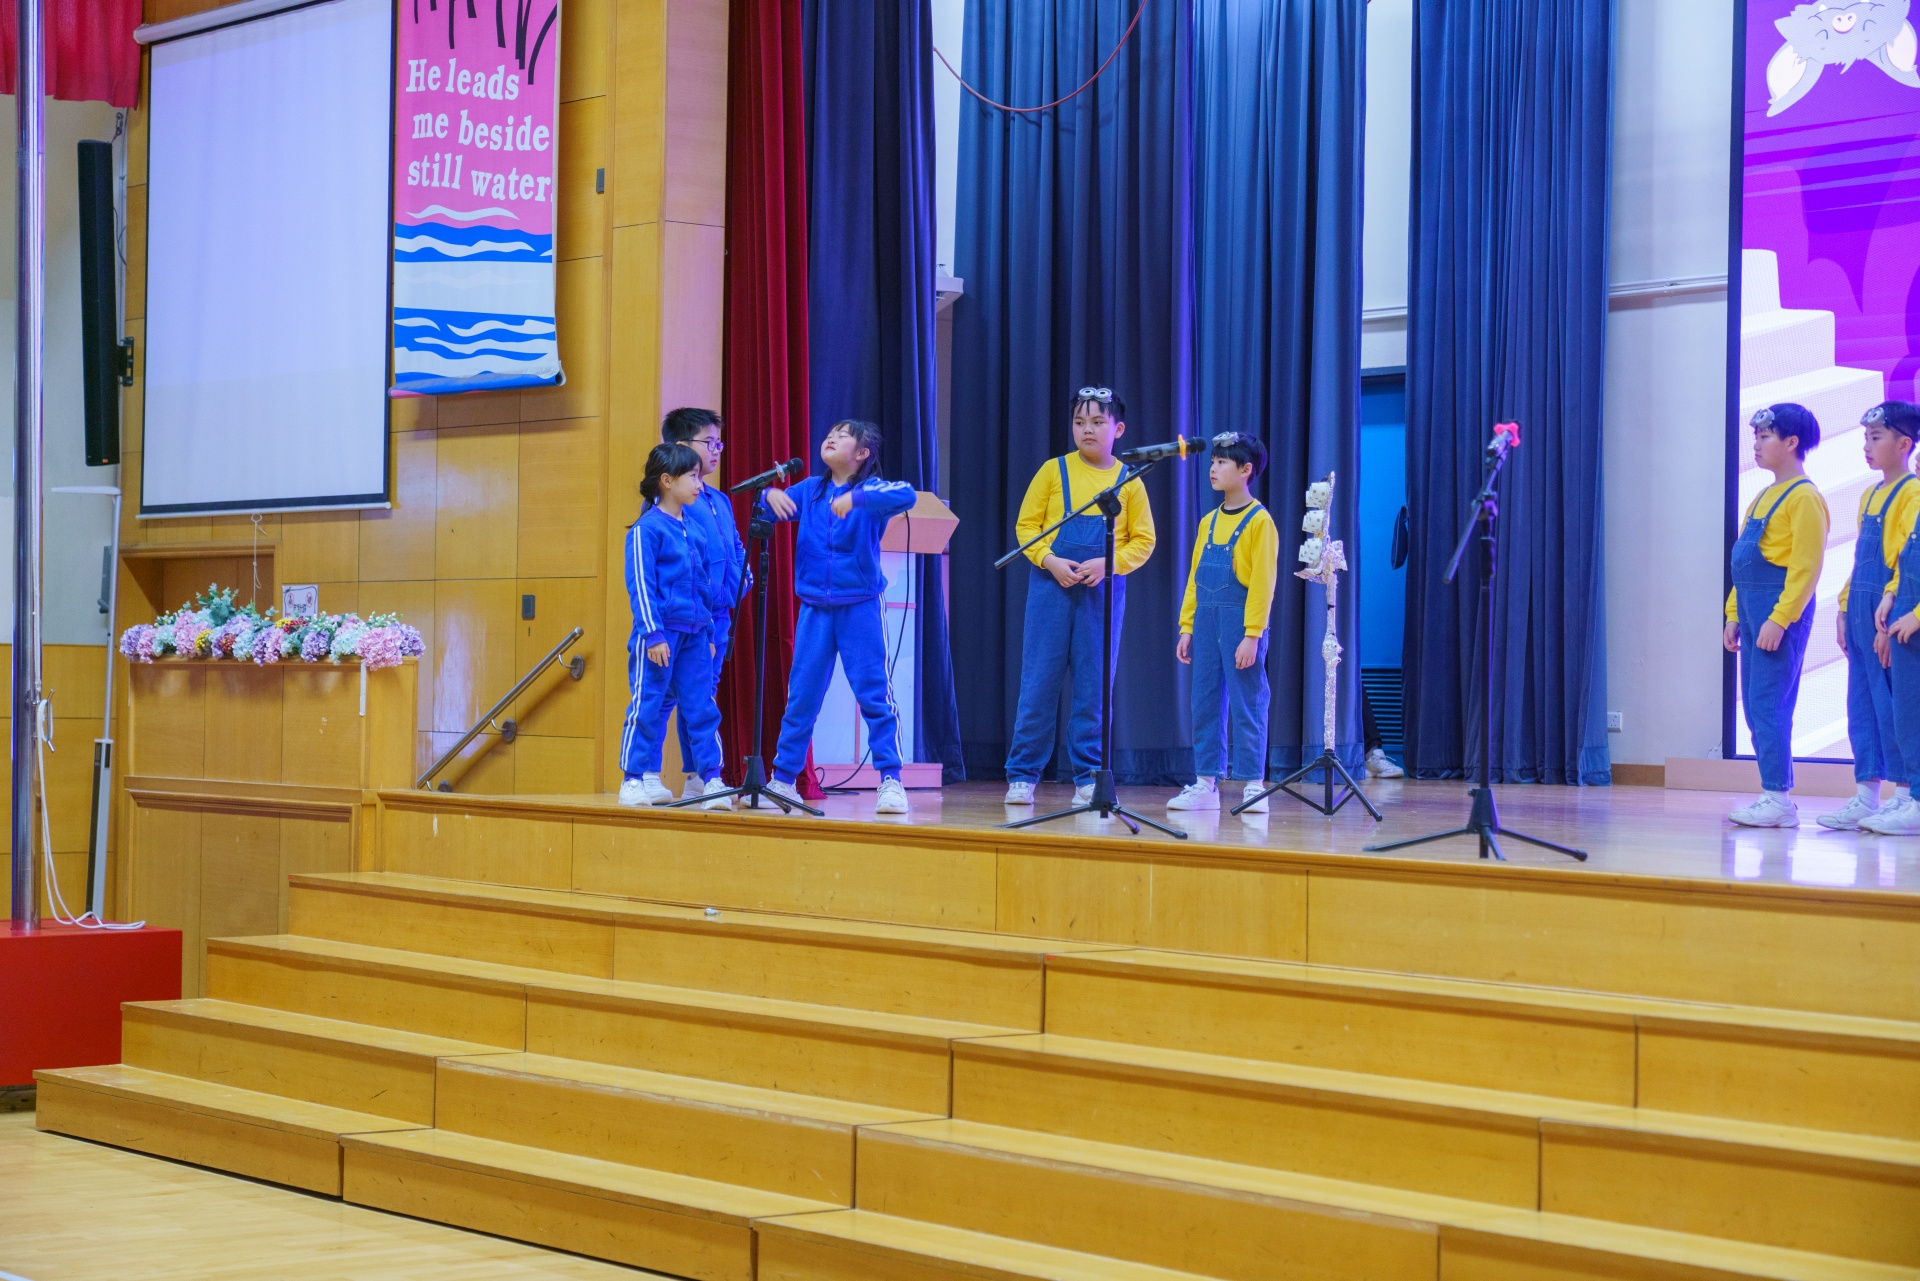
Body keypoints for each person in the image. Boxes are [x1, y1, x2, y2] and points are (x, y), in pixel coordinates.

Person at [1003, 387, 1157, 807]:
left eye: (1098, 422)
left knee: (1094, 688)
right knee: (1038, 683)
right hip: (1050, 589)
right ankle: (1022, 775)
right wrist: (1050, 560)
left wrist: (1109, 564)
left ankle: (1088, 777)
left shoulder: (1129, 480)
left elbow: (1144, 540)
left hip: (1102, 595)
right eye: (1079, 422)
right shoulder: (1053, 471)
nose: (1087, 429)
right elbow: (1026, 526)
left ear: (1118, 429)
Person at [759, 420, 919, 816]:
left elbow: (907, 494)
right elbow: (767, 511)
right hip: (815, 608)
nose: (831, 437)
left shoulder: (873, 490)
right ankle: (783, 780)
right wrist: (769, 495)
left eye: (843, 435)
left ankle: (891, 780)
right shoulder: (811, 489)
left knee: (874, 694)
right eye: (830, 432)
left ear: (862, 453)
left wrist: (858, 498)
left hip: (860, 607)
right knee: (802, 696)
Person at [1723, 403, 1828, 828]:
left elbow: (1807, 567)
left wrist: (1780, 618)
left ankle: (1778, 798)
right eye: (1756, 437)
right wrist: (1733, 613)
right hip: (1752, 611)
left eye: (1765, 436)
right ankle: (1771, 792)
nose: (1756, 444)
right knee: (1755, 705)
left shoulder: (1805, 497)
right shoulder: (1764, 495)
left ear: (1791, 442)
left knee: (1769, 704)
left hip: (1777, 614)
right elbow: (1744, 562)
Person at [1170, 432, 1279, 813]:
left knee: (1248, 700)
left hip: (1240, 621)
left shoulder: (1259, 522)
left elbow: (1263, 583)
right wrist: (1187, 626)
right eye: (1213, 461)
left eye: (1222, 462)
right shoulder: (1207, 521)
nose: (1213, 468)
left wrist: (1252, 635)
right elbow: (1194, 577)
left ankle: (1253, 783)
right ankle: (1206, 782)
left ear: (1246, 470)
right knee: (1204, 701)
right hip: (1205, 619)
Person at [1821, 402, 1919, 830]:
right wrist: (1844, 608)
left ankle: (1905, 795)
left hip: (1888, 612)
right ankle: (1866, 795)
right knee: (1860, 706)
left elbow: (1905, 562)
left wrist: (1888, 618)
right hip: (1862, 608)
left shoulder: (1911, 493)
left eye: (1875, 438)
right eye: (1864, 438)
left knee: (1895, 708)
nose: (1866, 446)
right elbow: (1860, 558)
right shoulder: (1869, 494)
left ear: (1904, 444)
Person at [619, 443, 730, 809]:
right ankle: (633, 779)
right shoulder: (646, 530)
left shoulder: (694, 531)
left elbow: (703, 587)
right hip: (660, 634)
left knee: (702, 707)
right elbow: (641, 587)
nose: (699, 484)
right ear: (667, 481)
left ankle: (712, 779)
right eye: (692, 476)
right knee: (648, 705)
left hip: (695, 635)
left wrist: (709, 633)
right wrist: (653, 634)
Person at [659, 407, 750, 803]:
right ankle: (651, 775)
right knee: (674, 695)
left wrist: (742, 579)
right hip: (686, 616)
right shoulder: (672, 500)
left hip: (719, 614)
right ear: (682, 446)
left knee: (703, 694)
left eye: (719, 443)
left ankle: (698, 776)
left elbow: (735, 546)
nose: (716, 450)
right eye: (708, 442)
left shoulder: (718, 499)